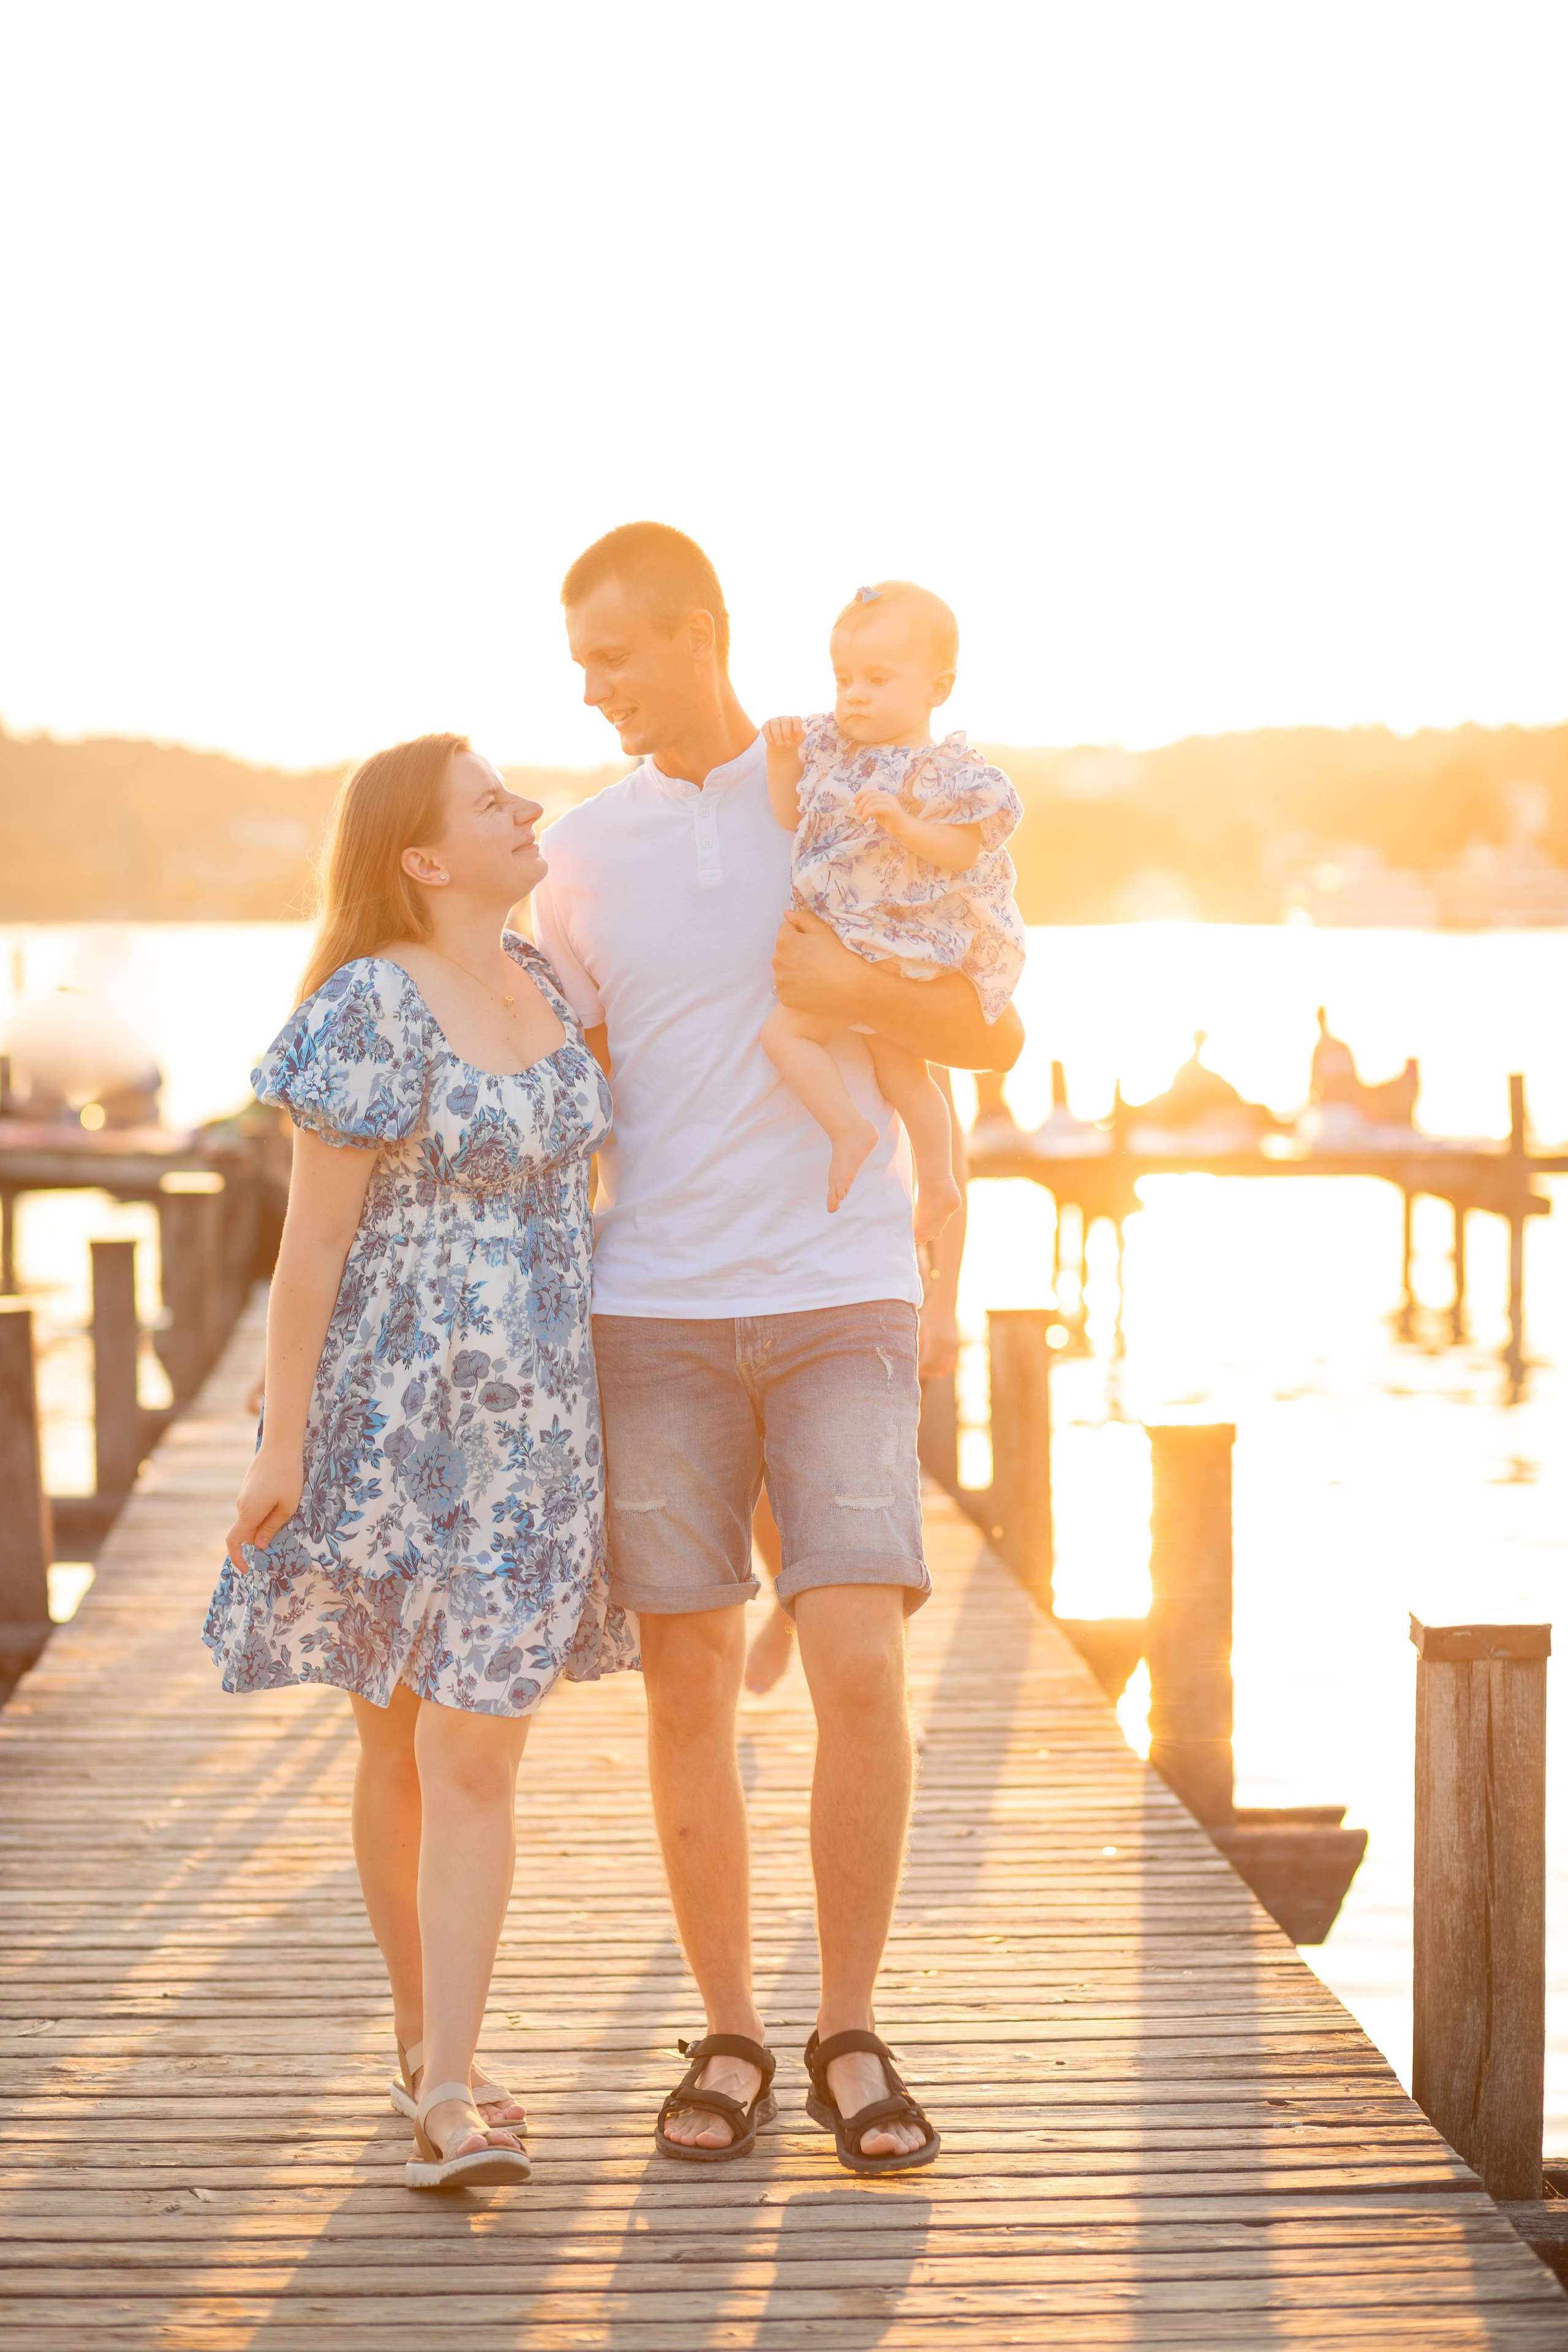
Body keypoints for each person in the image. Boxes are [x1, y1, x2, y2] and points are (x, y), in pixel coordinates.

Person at [536, 522, 1023, 2175]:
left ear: (700, 637)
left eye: (613, 654)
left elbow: (986, 1019)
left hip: (841, 1286)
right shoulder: (581, 852)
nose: (590, 686)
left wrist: (881, 1008)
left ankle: (851, 2028)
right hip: (654, 1307)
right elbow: (555, 1081)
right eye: (580, 659)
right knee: (686, 1677)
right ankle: (734, 2030)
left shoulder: (831, 780)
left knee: (861, 1660)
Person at [208, 733, 636, 2192]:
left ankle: (444, 2074)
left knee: (469, 1743)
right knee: (391, 1737)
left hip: (541, 1435)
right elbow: (311, 1244)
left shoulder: (555, 984)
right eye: (489, 802)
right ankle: (429, 2050)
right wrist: (279, 1442)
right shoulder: (369, 1005)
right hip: (390, 1422)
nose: (528, 811)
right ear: (422, 855)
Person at [760, 583, 1025, 1235]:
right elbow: (788, 815)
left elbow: (963, 850)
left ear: (937, 688)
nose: (853, 694)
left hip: (905, 941)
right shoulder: (828, 751)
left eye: (877, 678)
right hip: (850, 940)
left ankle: (856, 1136)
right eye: (843, 677)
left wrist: (904, 825)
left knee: (785, 1035)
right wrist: (778, 756)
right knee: (902, 1074)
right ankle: (934, 1183)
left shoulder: (948, 773)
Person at [745, 1076, 969, 1697]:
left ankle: (888, 1690)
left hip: (865, 1290)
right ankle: (791, 1613)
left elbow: (949, 1151)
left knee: (874, 1525)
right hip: (750, 1272)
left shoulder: (892, 984)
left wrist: (945, 1305)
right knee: (763, 1490)